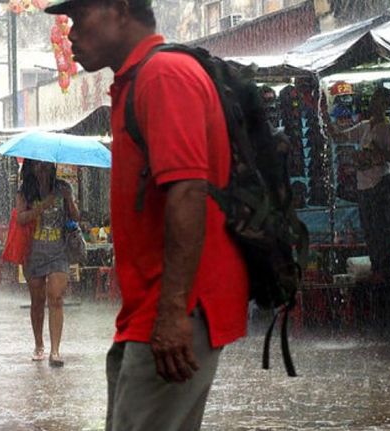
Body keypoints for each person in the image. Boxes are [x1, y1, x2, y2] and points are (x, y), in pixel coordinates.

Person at [45, 0, 249, 429]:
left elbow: (188, 190)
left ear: (119, 9)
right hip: (151, 311)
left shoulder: (163, 76)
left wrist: (173, 312)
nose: (71, 35)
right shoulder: (137, 81)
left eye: (78, 17)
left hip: (175, 308)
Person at [325, 87, 390, 284]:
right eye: (373, 101)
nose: (374, 105)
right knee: (369, 228)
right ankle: (377, 267)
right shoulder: (365, 126)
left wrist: (376, 156)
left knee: (380, 229)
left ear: (385, 105)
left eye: (379, 101)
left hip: (379, 183)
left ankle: (384, 270)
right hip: (364, 186)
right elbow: (340, 137)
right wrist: (325, 120)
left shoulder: (389, 128)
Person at [16, 159, 79, 367]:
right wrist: (42, 207)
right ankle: (39, 345)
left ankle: (55, 351)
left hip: (58, 252)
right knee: (37, 302)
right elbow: (21, 218)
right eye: (37, 164)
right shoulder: (24, 190)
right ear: (31, 167)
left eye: (46, 164)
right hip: (33, 253)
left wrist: (68, 200)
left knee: (56, 297)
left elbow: (76, 216)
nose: (42, 167)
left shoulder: (63, 188)